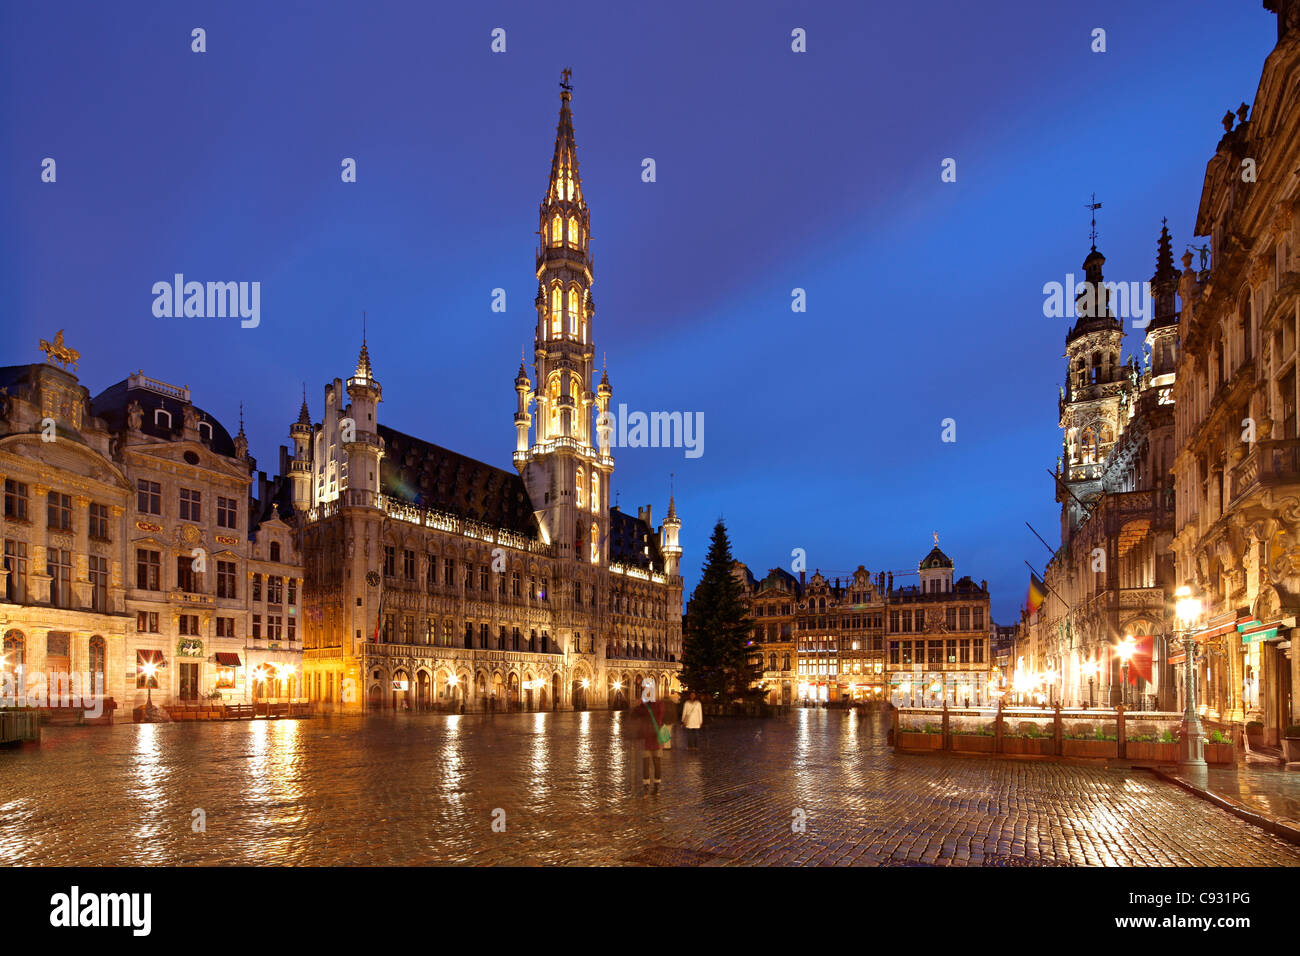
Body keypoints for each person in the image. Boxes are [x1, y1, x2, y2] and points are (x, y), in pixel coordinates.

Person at [633, 681, 667, 796]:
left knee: (649, 763)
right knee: (653, 763)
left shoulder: (647, 705)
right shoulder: (659, 704)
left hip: (650, 737)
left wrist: (639, 705)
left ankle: (649, 788)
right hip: (652, 737)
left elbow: (635, 715)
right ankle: (653, 787)